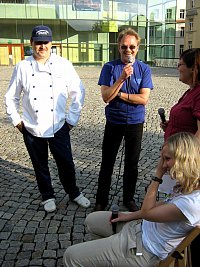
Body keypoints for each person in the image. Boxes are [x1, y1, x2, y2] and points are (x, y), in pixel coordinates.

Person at [63, 132, 200, 267]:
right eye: (162, 159)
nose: (163, 164)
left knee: (71, 256)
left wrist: (158, 175)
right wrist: (129, 216)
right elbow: (163, 205)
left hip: (143, 251)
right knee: (92, 220)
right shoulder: (190, 183)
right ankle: (108, 256)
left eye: (167, 159)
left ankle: (115, 255)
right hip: (140, 228)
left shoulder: (192, 204)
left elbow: (148, 212)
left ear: (184, 159)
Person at [4, 25, 90, 212]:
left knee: (66, 163)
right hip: (32, 127)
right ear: (31, 43)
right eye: (38, 42)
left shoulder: (63, 64)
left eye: (45, 42)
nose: (42, 46)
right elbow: (11, 97)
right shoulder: (22, 67)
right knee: (40, 165)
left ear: (51, 43)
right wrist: (17, 121)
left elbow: (78, 92)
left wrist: (71, 120)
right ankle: (47, 195)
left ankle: (74, 192)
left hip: (59, 126)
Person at [94, 27, 153, 212]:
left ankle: (128, 199)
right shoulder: (110, 67)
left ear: (138, 47)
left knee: (132, 163)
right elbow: (105, 96)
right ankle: (101, 200)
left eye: (132, 47)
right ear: (118, 47)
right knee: (107, 162)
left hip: (135, 122)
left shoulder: (144, 69)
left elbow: (143, 99)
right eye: (124, 47)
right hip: (114, 121)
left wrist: (119, 94)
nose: (128, 50)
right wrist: (121, 78)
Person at [160, 48, 200, 267]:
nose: (177, 67)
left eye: (180, 64)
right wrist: (172, 126)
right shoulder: (191, 91)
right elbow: (188, 123)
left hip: (183, 167)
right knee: (172, 209)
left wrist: (180, 161)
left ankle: (172, 258)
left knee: (180, 217)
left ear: (193, 69)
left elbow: (199, 138)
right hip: (175, 161)